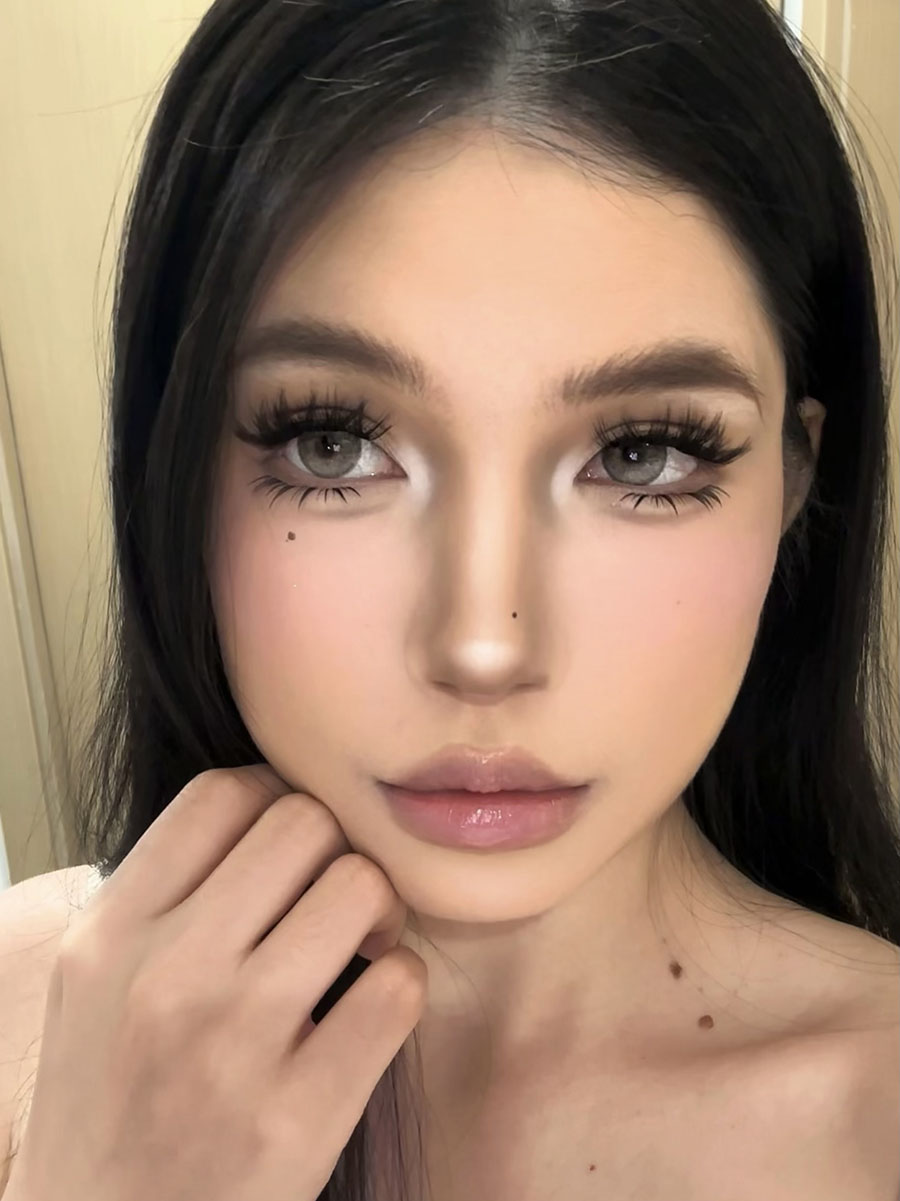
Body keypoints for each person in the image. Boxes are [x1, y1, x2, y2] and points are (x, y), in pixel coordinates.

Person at [1, 1, 898, 1198]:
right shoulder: (30, 1017)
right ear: (175, 469)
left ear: (792, 478)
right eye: (330, 442)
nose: (484, 644)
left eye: (641, 454)